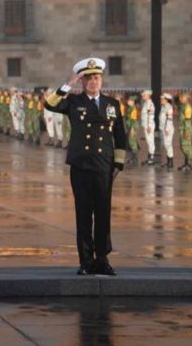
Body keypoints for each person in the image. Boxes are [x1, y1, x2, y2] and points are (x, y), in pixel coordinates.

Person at [44, 57, 126, 276]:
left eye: (97, 78)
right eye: (88, 78)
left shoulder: (112, 104)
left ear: (102, 80)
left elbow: (120, 134)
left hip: (103, 165)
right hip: (81, 164)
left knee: (102, 213)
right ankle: (86, 261)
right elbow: (49, 104)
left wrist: (118, 163)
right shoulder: (73, 101)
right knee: (83, 214)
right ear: (82, 81)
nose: (93, 82)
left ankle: (102, 258)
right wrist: (68, 83)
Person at [176, 92, 192, 172]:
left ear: (186, 98)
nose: (180, 99)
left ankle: (188, 164)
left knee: (186, 146)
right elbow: (175, 99)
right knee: (182, 146)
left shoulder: (187, 107)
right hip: (181, 128)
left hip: (186, 129)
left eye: (182, 97)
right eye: (180, 97)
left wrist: (186, 131)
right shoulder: (181, 106)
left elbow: (187, 120)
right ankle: (186, 163)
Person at [140, 89, 156, 165]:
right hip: (146, 125)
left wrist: (149, 126)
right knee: (148, 142)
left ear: (148, 95)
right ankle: (149, 157)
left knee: (150, 142)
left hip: (149, 126)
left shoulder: (150, 104)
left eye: (144, 95)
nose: (142, 96)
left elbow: (150, 116)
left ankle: (151, 158)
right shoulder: (146, 103)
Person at [159, 93, 175, 169]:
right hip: (164, 129)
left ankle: (171, 162)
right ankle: (168, 161)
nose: (161, 100)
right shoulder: (164, 107)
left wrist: (167, 129)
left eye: (162, 99)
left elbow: (169, 119)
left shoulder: (169, 108)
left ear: (166, 100)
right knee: (166, 145)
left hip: (167, 129)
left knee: (168, 145)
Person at [124, 95, 140, 165]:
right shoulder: (130, 108)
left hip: (132, 127)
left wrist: (132, 129)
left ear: (133, 102)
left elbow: (133, 120)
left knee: (132, 143)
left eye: (130, 101)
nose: (128, 102)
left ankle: (135, 160)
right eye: (128, 101)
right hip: (130, 126)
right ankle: (133, 159)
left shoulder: (133, 109)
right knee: (131, 142)